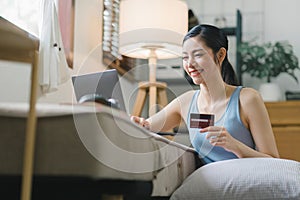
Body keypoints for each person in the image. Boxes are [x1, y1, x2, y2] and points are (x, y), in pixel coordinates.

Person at [131, 24, 279, 164]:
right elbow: (147, 127)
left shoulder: (248, 99)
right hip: (208, 186)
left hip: (244, 181)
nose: (189, 64)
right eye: (185, 57)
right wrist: (137, 123)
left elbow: (273, 159)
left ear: (220, 55)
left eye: (197, 55)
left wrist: (235, 146)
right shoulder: (186, 102)